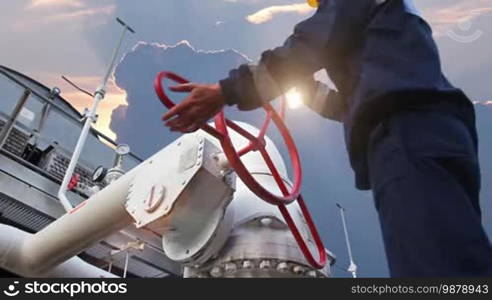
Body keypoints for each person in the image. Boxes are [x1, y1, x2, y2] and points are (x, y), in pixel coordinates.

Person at [162, 0, 492, 277]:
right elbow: (350, 106)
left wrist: (224, 91)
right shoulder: (392, 27)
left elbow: (309, 46)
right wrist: (308, 92)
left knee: (431, 265)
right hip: (439, 135)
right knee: (458, 256)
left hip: (404, 135)